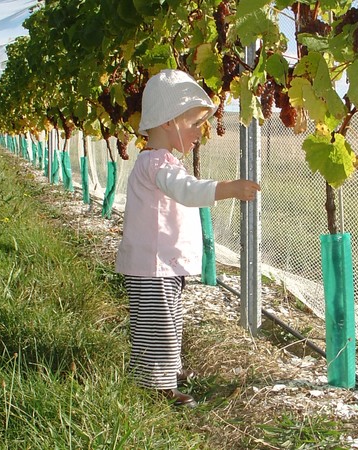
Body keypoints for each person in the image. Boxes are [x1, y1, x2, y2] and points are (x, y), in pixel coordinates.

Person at [115, 69, 260, 407]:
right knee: (159, 328)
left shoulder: (161, 161)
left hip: (163, 265)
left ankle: (162, 373)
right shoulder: (156, 164)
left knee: (167, 321)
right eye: (193, 123)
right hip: (153, 266)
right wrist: (227, 189)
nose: (200, 131)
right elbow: (187, 191)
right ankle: (158, 390)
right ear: (168, 122)